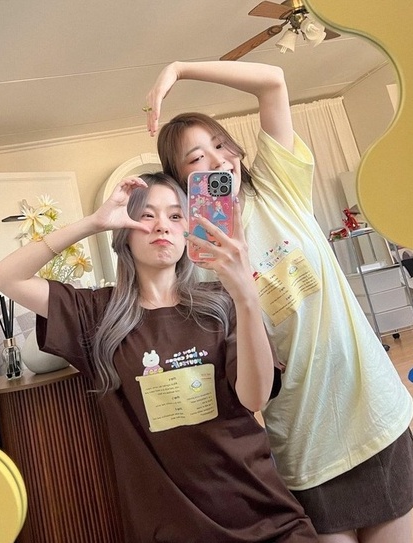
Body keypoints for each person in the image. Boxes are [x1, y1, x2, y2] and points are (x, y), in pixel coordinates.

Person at [143, 60, 413, 542]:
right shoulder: (197, 259)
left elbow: (273, 82)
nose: (217, 160)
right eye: (196, 158)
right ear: (181, 182)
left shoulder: (277, 189)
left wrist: (179, 69)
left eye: (220, 144)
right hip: (305, 441)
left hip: (373, 411)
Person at [0, 172, 318, 542]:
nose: (162, 225)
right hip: (172, 531)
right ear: (125, 233)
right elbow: (7, 277)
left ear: (189, 231)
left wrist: (245, 296)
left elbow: (254, 398)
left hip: (267, 520)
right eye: (147, 215)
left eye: (176, 216)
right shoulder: (98, 315)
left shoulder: (224, 302)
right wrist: (94, 222)